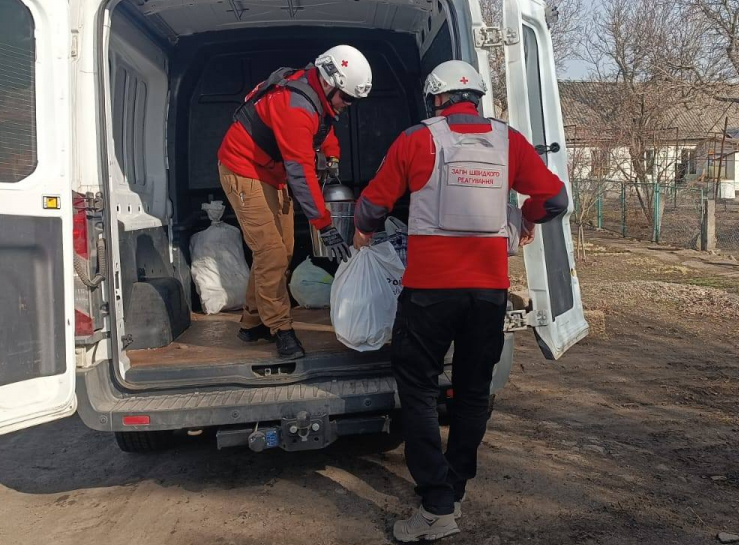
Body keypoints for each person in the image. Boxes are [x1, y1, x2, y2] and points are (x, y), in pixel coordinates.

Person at [351, 60, 568, 542]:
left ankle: (436, 507)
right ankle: (455, 488)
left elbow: (372, 206)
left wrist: (363, 231)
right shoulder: (508, 141)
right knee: (472, 394)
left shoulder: (417, 139)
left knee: (420, 392)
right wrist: (524, 216)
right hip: (487, 293)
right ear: (478, 97)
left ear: (436, 99)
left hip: (429, 293)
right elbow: (554, 200)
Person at [217, 45, 372, 359]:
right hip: (244, 168)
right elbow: (300, 173)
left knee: (282, 248)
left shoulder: (316, 96)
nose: (349, 105)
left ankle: (251, 322)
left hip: (272, 174)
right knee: (271, 252)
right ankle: (281, 328)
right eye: (348, 98)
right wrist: (324, 225)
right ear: (330, 84)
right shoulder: (294, 107)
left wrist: (333, 157)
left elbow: (323, 128)